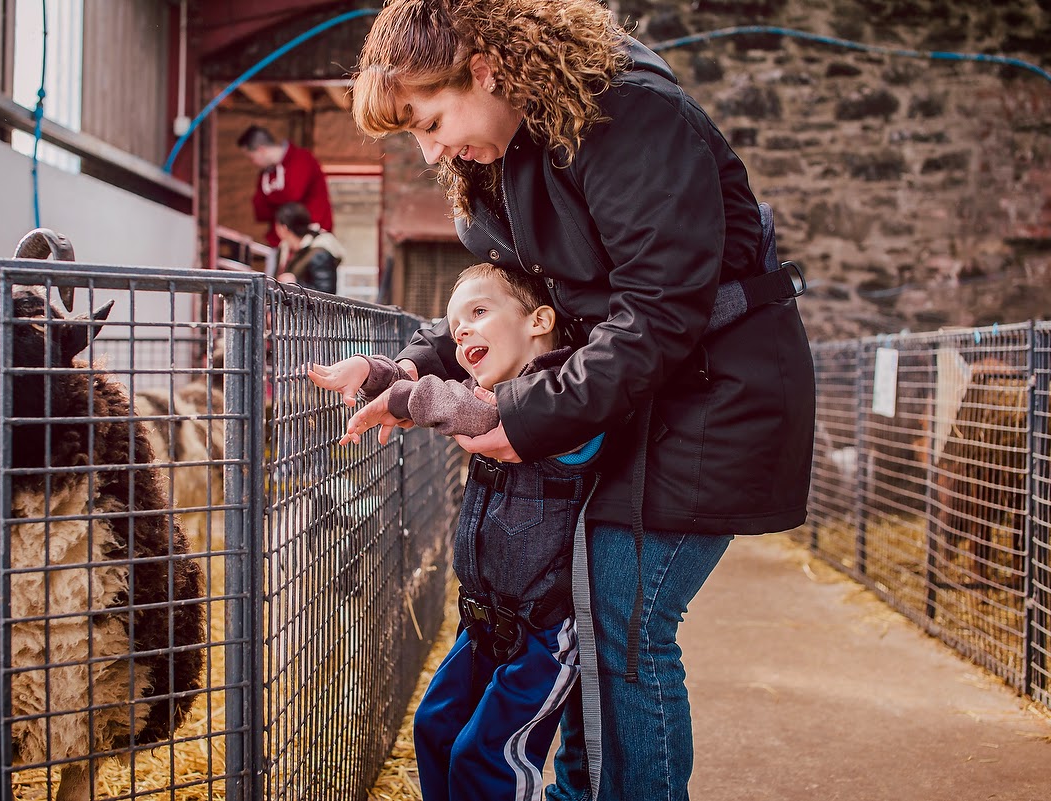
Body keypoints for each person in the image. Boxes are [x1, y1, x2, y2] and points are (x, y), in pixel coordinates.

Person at [341, 2, 817, 800]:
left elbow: (660, 312)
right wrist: (405, 368)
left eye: (431, 122)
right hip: (642, 395)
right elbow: (514, 303)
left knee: (626, 620)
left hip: (714, 392)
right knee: (593, 613)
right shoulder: (507, 156)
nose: (430, 152)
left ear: (484, 69)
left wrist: (524, 418)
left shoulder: (630, 118)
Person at [310, 262, 603, 801]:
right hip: (484, 619)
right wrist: (378, 373)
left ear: (539, 320)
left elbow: (473, 412)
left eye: (478, 312)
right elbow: (457, 398)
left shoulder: (567, 396)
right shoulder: (489, 388)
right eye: (454, 323)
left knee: (487, 756)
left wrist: (405, 397)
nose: (461, 330)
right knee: (436, 726)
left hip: (544, 632)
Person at [237, 125, 333, 248]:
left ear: (262, 150)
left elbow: (292, 197)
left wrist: (270, 198)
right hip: (281, 242)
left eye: (252, 158)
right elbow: (260, 211)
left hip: (311, 240)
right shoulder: (266, 174)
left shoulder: (302, 159)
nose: (253, 163)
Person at [274, 202, 344, 294]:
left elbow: (326, 292)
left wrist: (296, 284)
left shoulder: (319, 251)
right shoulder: (284, 249)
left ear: (284, 228)